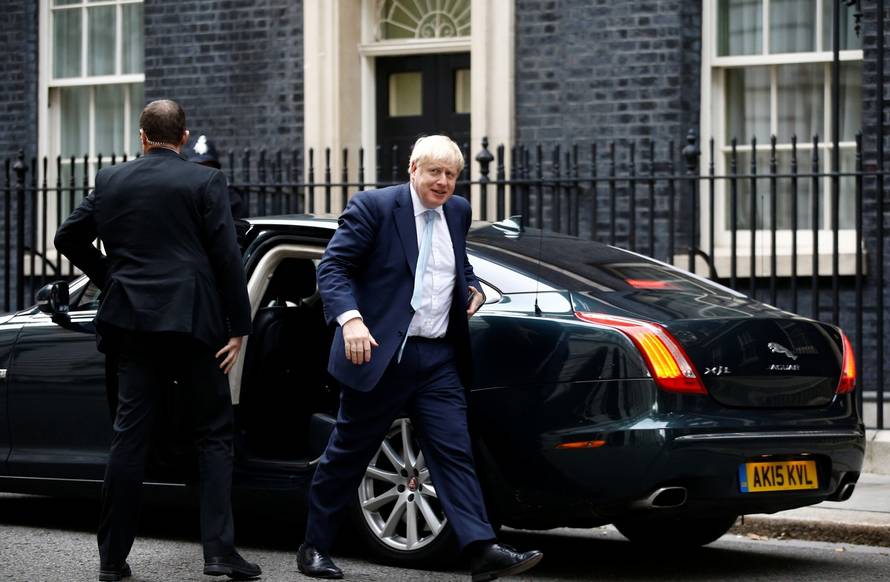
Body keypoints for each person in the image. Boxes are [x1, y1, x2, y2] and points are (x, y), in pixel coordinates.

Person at [297, 135, 543, 581]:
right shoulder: (373, 208)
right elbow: (334, 268)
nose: (444, 182)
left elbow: (457, 264)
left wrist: (473, 287)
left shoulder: (458, 211)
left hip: (436, 358)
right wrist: (351, 321)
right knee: (348, 455)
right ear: (413, 169)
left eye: (451, 174)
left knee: (454, 452)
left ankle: (481, 548)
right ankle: (315, 546)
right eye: (435, 172)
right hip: (379, 353)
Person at [54, 99, 261, 582]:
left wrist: (112, 277)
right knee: (213, 434)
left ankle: (111, 561)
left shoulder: (110, 181)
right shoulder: (205, 181)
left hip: (131, 323)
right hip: (194, 324)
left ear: (142, 136)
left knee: (129, 436)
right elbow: (227, 258)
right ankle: (219, 553)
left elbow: (68, 237)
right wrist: (239, 326)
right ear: (184, 137)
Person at [185, 133, 248, 220]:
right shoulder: (183, 195)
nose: (202, 171)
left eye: (207, 167)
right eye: (197, 166)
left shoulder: (231, 199)